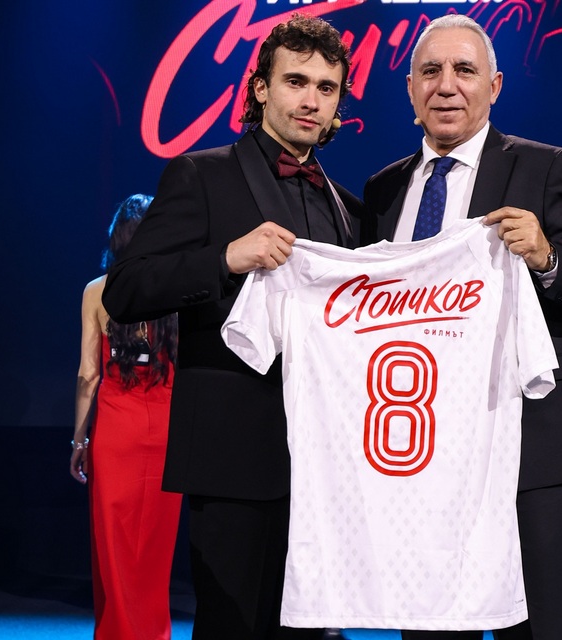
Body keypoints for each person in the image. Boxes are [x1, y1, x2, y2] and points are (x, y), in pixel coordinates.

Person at [362, 15, 562, 640]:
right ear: (410, 89)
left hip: (522, 445)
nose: (446, 86)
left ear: (495, 86)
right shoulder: (382, 190)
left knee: (533, 627)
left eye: (464, 70)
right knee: (429, 628)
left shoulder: (543, 167)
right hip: (419, 451)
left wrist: (548, 257)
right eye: (431, 71)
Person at [101, 14, 361, 640]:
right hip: (232, 454)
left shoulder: (349, 207)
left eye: (326, 88)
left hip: (324, 466)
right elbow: (126, 290)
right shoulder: (202, 173)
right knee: (232, 626)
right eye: (296, 81)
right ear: (261, 88)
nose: (311, 100)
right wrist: (224, 259)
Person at [70, 194, 183, 639]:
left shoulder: (97, 291)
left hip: (116, 432)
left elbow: (88, 375)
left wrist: (79, 440)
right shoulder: (180, 290)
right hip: (167, 430)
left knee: (114, 545)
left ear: (116, 237)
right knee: (155, 547)